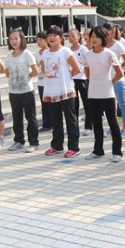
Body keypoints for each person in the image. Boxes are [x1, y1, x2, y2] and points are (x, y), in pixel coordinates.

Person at [83, 26, 124, 161]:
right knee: (96, 122)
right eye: (92, 36)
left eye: (96, 36)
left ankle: (117, 152)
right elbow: (87, 74)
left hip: (107, 93)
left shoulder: (109, 54)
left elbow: (119, 73)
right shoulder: (87, 55)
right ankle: (98, 150)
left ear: (103, 38)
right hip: (93, 92)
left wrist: (109, 82)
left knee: (112, 122)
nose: (93, 39)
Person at [40, 26, 82, 158]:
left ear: (61, 38)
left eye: (55, 35)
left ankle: (74, 147)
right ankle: (57, 145)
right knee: (55, 119)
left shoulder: (66, 52)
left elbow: (76, 69)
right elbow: (43, 69)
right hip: (51, 91)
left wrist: (67, 78)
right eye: (49, 35)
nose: (51, 38)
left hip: (65, 90)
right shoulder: (45, 53)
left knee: (70, 119)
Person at [5, 29, 39, 153]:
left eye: (16, 38)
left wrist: (27, 77)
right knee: (16, 117)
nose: (13, 41)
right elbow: (7, 72)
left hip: (26, 91)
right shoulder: (9, 56)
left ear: (21, 39)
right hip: (13, 92)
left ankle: (33, 142)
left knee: (30, 117)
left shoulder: (27, 54)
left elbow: (35, 71)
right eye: (11, 39)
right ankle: (19, 140)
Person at [104, 23, 125, 136]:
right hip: (106, 79)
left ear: (112, 32)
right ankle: (113, 127)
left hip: (118, 79)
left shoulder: (118, 45)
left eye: (107, 31)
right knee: (110, 105)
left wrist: (120, 68)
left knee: (122, 103)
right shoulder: (103, 45)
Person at [68, 28, 92, 136]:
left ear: (78, 36)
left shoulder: (84, 50)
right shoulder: (68, 51)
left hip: (82, 78)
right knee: (74, 104)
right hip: (71, 79)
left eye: (73, 36)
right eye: (69, 36)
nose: (71, 38)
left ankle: (88, 126)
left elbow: (88, 65)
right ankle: (74, 126)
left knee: (86, 102)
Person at [34, 31, 53, 133]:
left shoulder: (50, 52)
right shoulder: (37, 53)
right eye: (37, 40)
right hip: (41, 81)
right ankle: (46, 124)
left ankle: (52, 123)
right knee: (44, 103)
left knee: (50, 103)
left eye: (41, 39)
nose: (38, 42)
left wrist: (43, 65)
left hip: (49, 81)